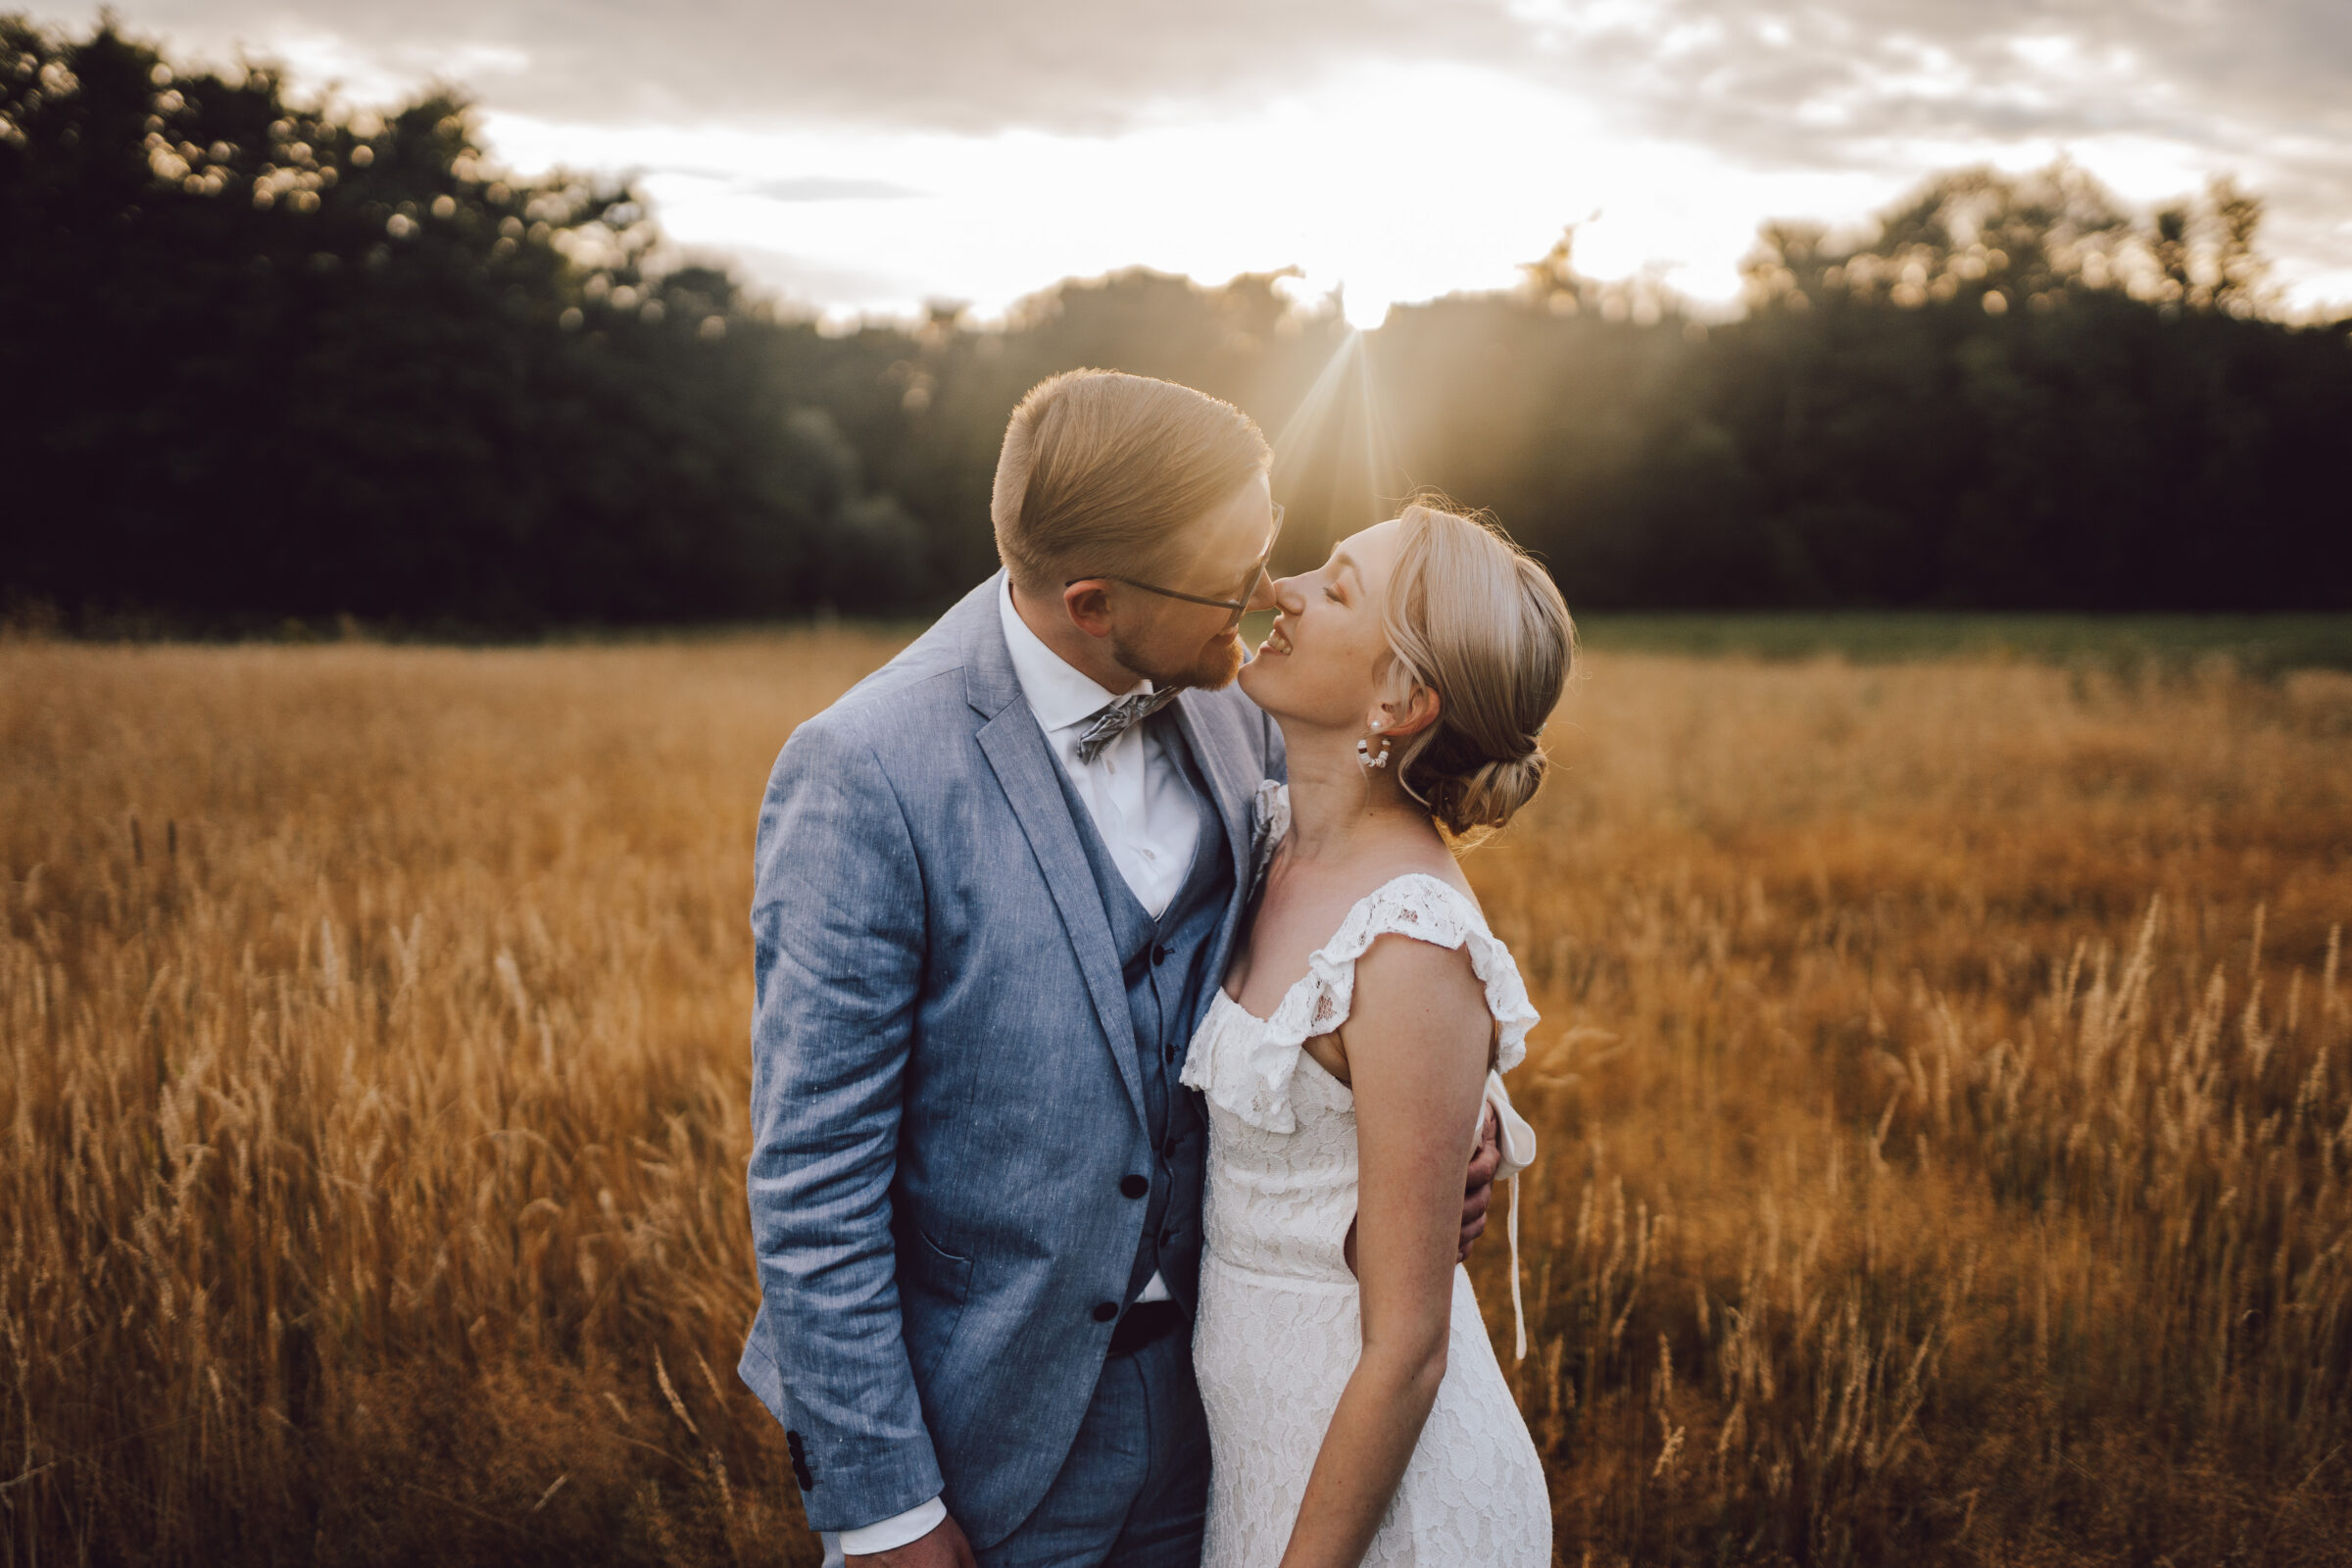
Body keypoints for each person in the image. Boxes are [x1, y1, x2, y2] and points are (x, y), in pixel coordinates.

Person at [740, 369, 1501, 1568]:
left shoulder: (1242, 702)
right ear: (1094, 603)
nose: (1265, 601)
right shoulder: (864, 771)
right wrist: (887, 1513)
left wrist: (1465, 1116)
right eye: (1230, 582)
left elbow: (1370, 930)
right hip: (983, 1436)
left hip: (1235, 1411)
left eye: (1268, 553)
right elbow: (811, 1181)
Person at [1185, 501, 1570, 1565]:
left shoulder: (1408, 943)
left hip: (1377, 1513)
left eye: (1336, 586)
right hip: (1266, 1455)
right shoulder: (1271, 840)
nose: (1284, 588)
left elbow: (1407, 1348)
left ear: (1400, 696)